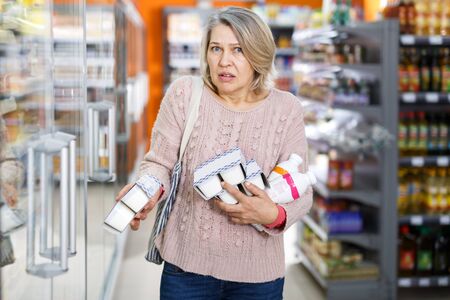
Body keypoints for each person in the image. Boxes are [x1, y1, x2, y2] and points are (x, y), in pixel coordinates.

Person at [116, 6, 312, 299]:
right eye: (216, 48)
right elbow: (159, 164)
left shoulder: (286, 109)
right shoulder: (185, 94)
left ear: (258, 54)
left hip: (257, 277)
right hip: (186, 270)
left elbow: (301, 191)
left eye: (238, 50)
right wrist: (146, 191)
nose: (224, 62)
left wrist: (272, 214)